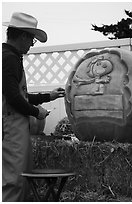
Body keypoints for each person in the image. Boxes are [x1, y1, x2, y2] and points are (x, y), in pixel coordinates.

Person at [2, 12, 65, 202]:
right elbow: (13, 98)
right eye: (32, 40)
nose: (31, 45)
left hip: (16, 128)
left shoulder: (10, 57)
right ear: (23, 36)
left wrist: (48, 96)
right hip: (10, 128)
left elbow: (20, 95)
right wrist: (37, 112)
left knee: (22, 178)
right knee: (15, 181)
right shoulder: (9, 59)